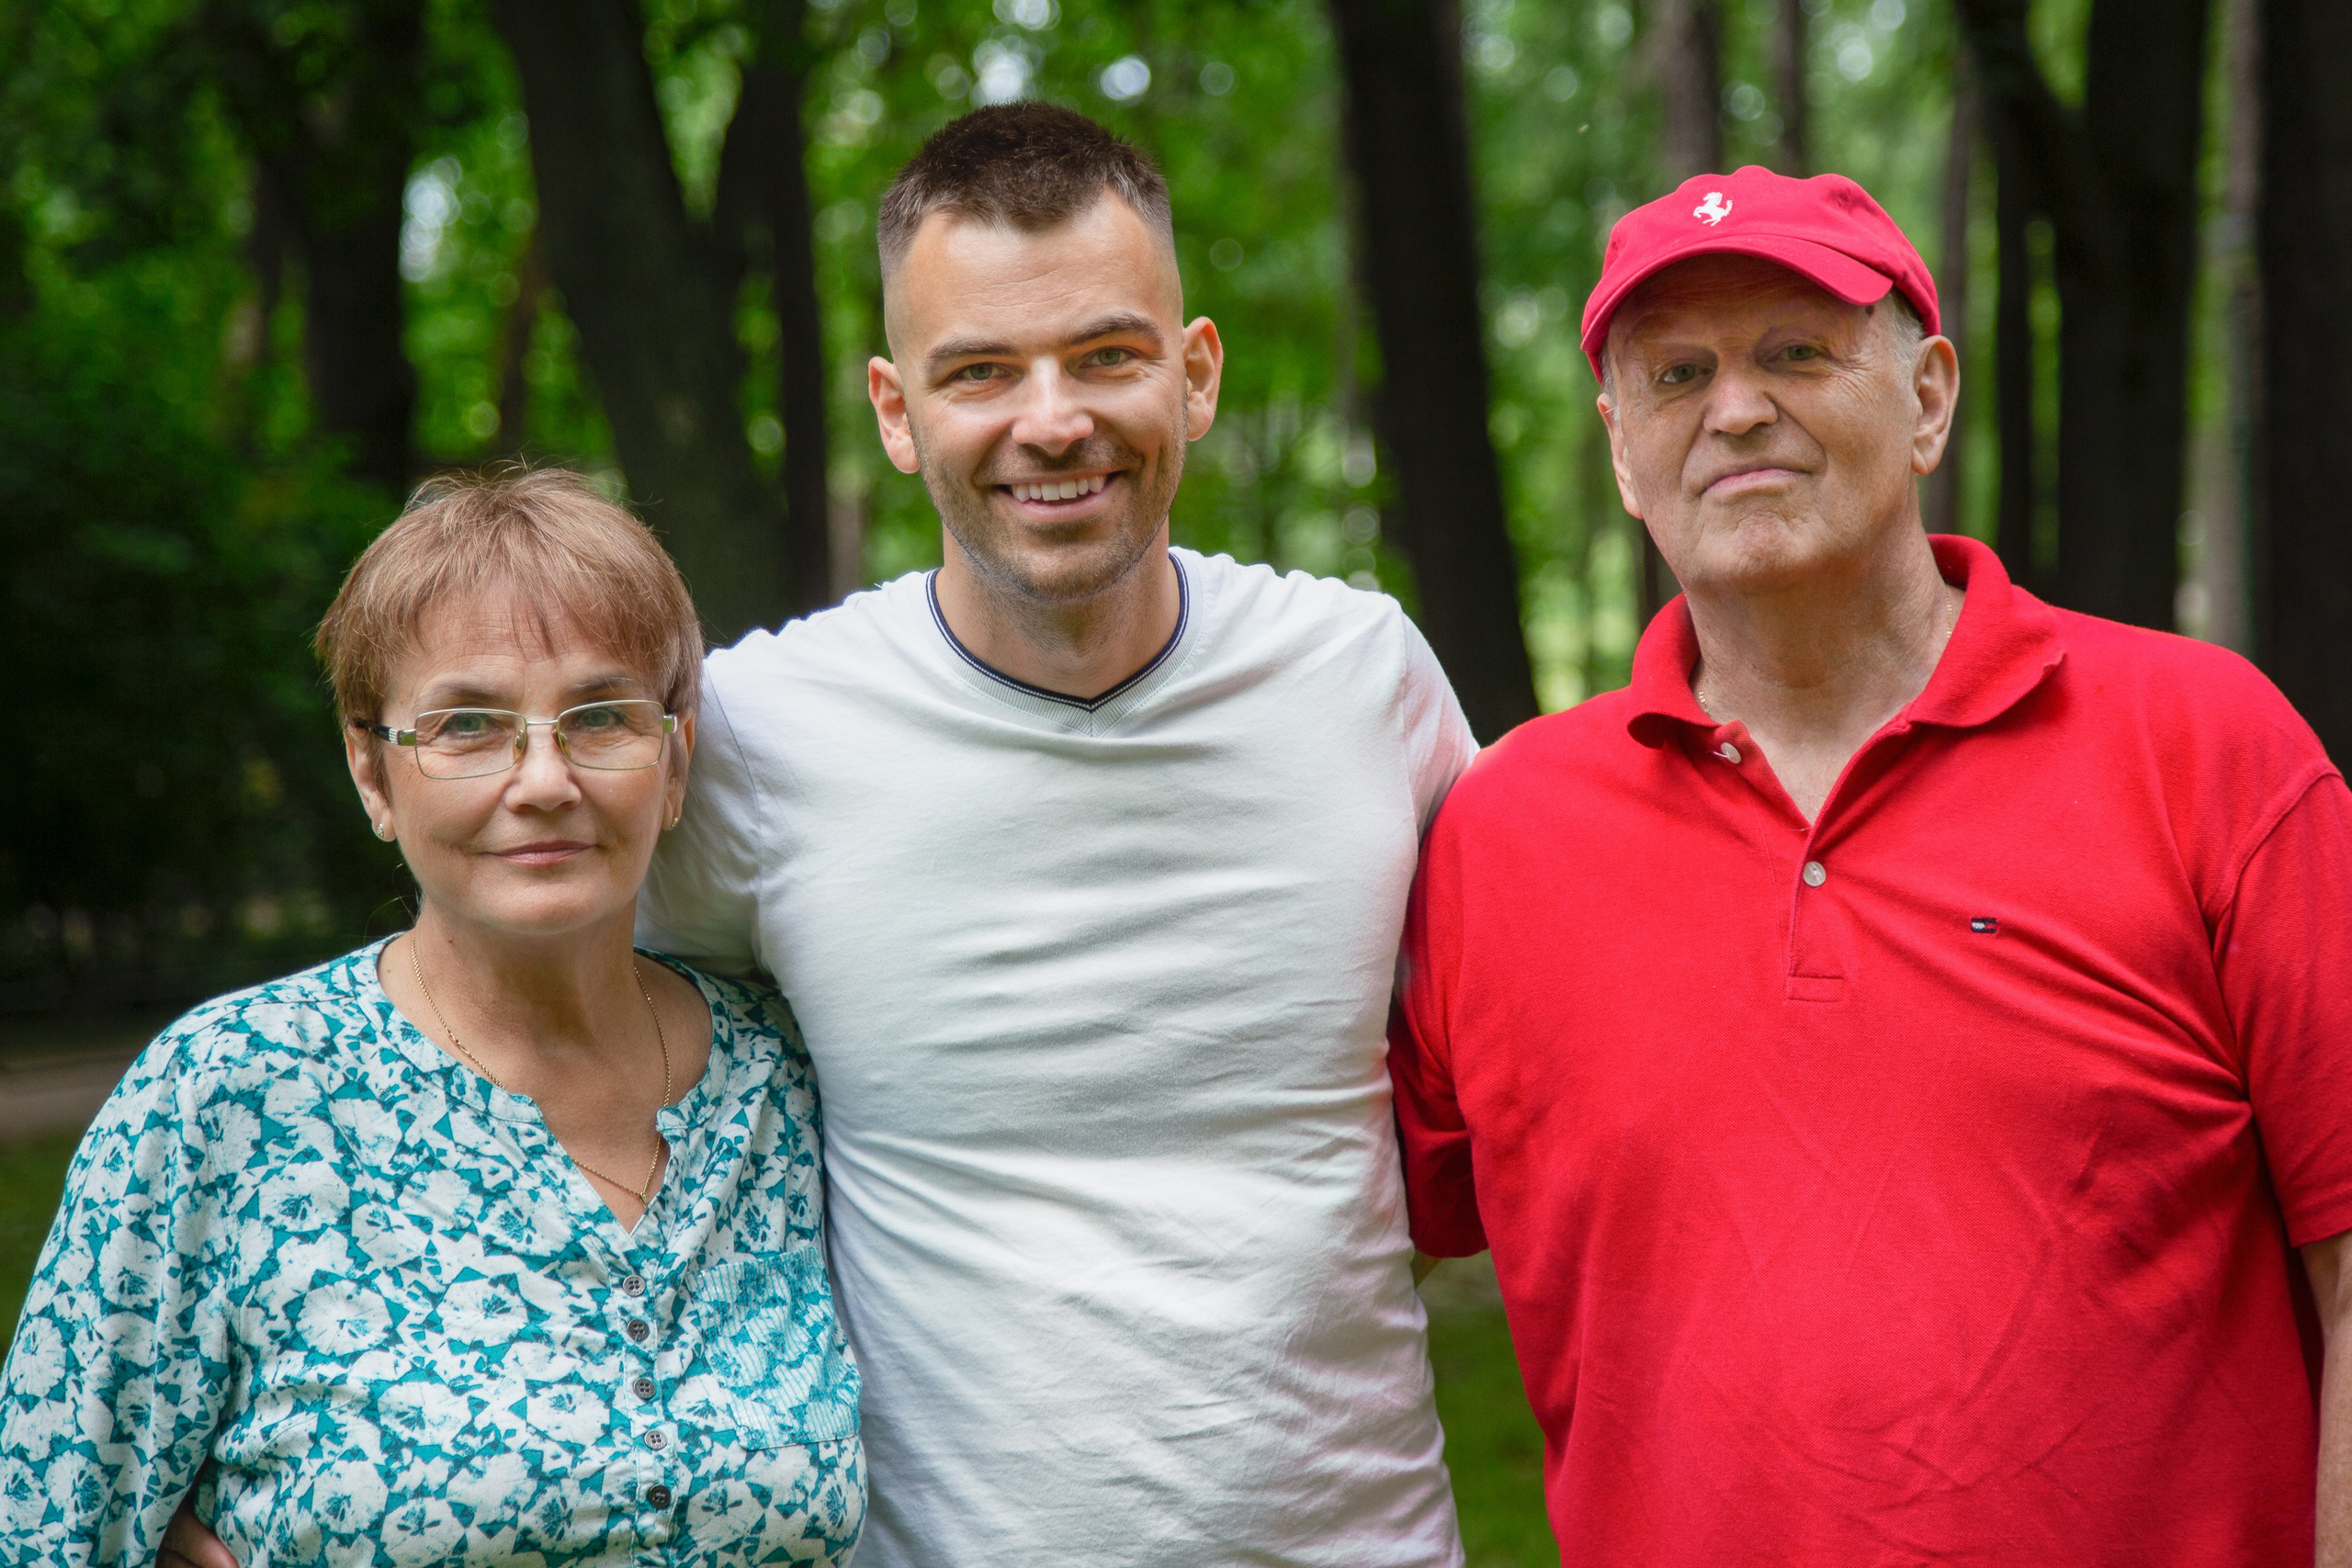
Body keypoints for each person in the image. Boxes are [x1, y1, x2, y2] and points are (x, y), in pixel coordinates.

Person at [1388, 163, 2352, 1563]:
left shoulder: (2204, 746)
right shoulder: (1497, 833)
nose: (1734, 409)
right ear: (1622, 449)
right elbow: (1323, 1234)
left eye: (1797, 351)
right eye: (1676, 374)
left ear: (1929, 398)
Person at [638, 104, 1475, 1565]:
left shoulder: (1361, 678)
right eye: (980, 371)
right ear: (897, 410)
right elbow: (549, 1054)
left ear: (1194, 373)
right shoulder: (758, 734)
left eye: (1105, 355)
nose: (1052, 420)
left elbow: (1554, 1036)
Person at [2, 470, 864, 1566]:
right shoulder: (228, 1095)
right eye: (468, 726)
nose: (543, 780)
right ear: (372, 772)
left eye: (601, 717)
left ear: (675, 760)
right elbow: (48, 1526)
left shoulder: (783, 1080)